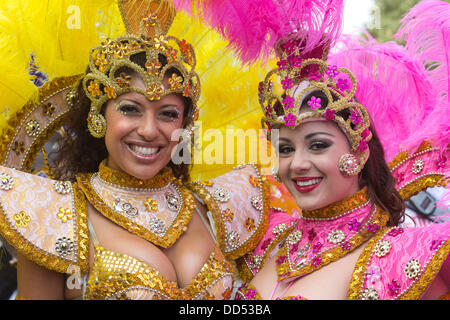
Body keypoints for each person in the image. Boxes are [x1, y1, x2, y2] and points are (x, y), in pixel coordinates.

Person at [174, 0, 450, 300]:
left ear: (359, 154)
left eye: (317, 145)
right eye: (285, 148)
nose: (298, 163)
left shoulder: (400, 257)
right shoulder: (267, 236)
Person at [0, 0, 269, 300]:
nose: (149, 130)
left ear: (185, 124)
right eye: (130, 109)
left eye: (167, 114)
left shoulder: (222, 208)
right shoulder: (54, 218)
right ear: (99, 116)